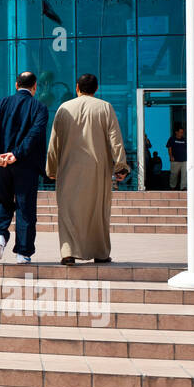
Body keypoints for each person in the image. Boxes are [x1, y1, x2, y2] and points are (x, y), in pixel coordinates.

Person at [44, 74, 130, 265]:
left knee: (67, 210)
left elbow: (53, 143)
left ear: (77, 87)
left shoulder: (64, 108)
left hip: (67, 168)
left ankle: (68, 252)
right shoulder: (105, 107)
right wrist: (121, 165)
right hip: (97, 170)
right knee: (97, 211)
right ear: (96, 89)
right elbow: (116, 139)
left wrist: (51, 168)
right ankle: (100, 252)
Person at [0, 71, 49, 264]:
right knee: (25, 207)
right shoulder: (39, 108)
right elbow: (34, 135)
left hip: (2, 164)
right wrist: (17, 154)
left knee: (2, 202)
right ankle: (23, 252)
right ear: (35, 86)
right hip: (26, 165)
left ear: (16, 85)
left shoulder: (0, 104)